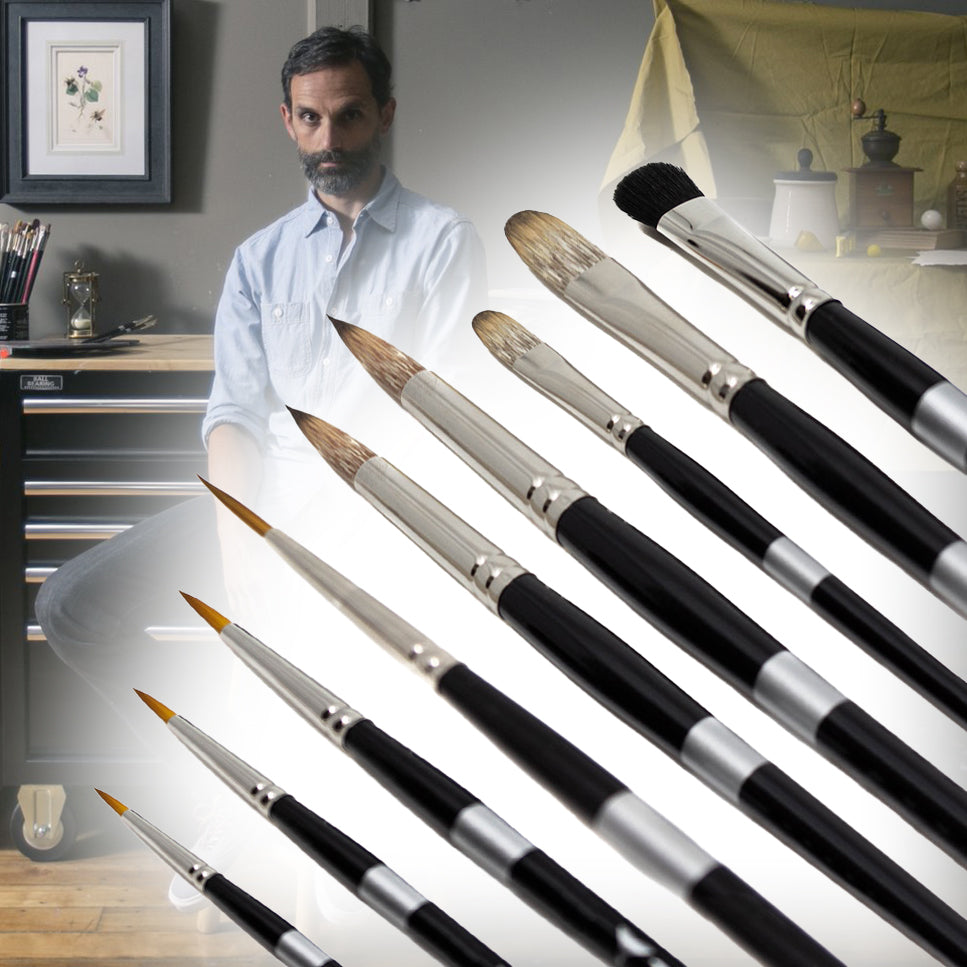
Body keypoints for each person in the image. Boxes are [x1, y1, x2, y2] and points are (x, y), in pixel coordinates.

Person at [34, 24, 487, 911]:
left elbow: (438, 420)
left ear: (383, 115)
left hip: (375, 515)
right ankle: (218, 788)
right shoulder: (260, 258)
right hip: (256, 503)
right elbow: (234, 419)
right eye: (312, 120)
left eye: (349, 117)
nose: (330, 142)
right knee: (70, 604)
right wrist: (242, 554)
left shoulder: (444, 242)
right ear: (287, 120)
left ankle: (331, 846)